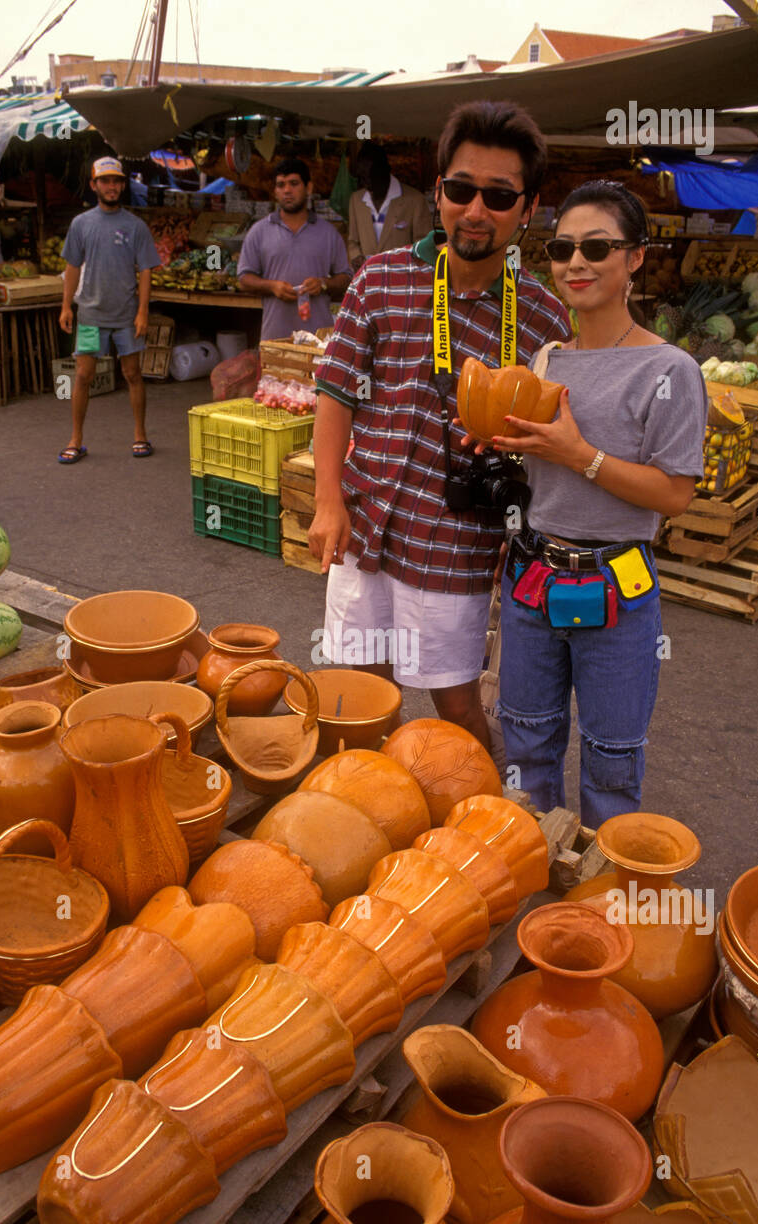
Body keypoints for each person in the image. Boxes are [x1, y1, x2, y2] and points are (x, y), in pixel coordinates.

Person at [308, 101, 570, 749]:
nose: (475, 211)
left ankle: (483, 819)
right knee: (361, 695)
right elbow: (335, 393)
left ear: (528, 208)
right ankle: (370, 814)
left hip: (457, 540)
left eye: (499, 196)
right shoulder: (381, 280)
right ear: (439, 192)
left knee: (455, 706)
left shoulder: (542, 319)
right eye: (461, 190)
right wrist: (325, 501)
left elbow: (554, 447)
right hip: (365, 524)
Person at [490, 180, 706, 825]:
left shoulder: (670, 371)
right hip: (530, 578)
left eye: (596, 247)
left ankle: (602, 903)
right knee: (526, 747)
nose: (575, 263)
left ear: (634, 257)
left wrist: (576, 453)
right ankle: (534, 874)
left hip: (618, 584)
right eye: (561, 248)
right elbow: (542, 468)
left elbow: (675, 495)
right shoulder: (547, 358)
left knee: (612, 759)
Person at [57, 156, 162, 465]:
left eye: (117, 181)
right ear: (94, 185)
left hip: (126, 317)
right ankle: (76, 439)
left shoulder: (135, 226)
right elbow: (72, 266)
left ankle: (140, 434)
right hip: (90, 315)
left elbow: (145, 271)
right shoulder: (81, 224)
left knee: (132, 373)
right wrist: (66, 306)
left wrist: (143, 311)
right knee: (83, 375)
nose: (112, 186)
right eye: (105, 181)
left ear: (123, 185)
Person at [237, 157, 352, 341]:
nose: (287, 190)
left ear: (309, 188)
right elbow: (244, 279)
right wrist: (272, 286)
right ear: (275, 191)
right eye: (281, 185)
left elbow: (346, 278)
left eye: (294, 183)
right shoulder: (259, 231)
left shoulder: (329, 233)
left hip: (318, 340)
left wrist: (323, 284)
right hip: (275, 338)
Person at [346, 142, 431, 271]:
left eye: (371, 178)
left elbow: (424, 246)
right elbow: (352, 241)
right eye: (362, 179)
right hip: (368, 279)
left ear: (385, 171)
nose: (367, 185)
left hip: (402, 281)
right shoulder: (356, 200)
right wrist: (356, 257)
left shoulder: (415, 200)